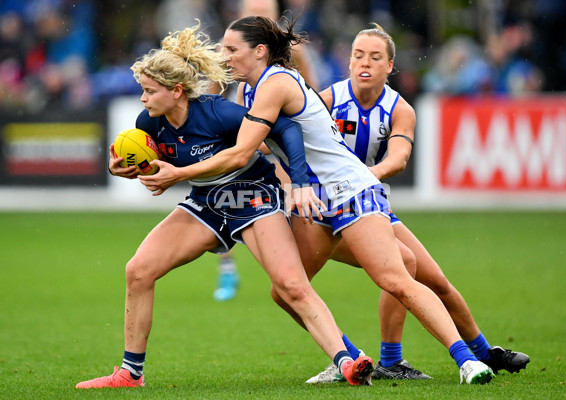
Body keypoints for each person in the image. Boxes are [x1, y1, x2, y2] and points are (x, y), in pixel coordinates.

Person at [177, 15, 495, 385]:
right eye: (223, 49)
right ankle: (348, 356)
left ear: (260, 51)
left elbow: (242, 150)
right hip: (315, 199)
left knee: (395, 278)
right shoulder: (248, 91)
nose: (225, 56)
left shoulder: (276, 83)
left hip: (350, 190)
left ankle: (467, 360)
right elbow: (260, 145)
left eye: (232, 49)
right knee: (287, 290)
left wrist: (175, 171)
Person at [75, 21, 374, 389]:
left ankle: (347, 361)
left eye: (150, 91)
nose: (143, 99)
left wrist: (297, 182)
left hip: (255, 198)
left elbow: (288, 130)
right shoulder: (148, 123)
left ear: (177, 91)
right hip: (206, 205)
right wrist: (123, 169)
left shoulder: (217, 113)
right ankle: (129, 374)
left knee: (291, 285)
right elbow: (149, 165)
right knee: (138, 270)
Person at [305, 23, 530, 383]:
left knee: (437, 280)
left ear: (389, 66)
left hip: (368, 204)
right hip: (326, 213)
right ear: (348, 62)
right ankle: (363, 357)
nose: (365, 63)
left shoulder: (400, 109)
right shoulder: (327, 101)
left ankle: (484, 352)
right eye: (358, 56)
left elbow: (398, 159)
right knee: (390, 266)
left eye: (375, 57)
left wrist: (362, 180)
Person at [212, 0, 320, 302]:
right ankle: (228, 268)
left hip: (279, 141)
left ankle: (296, 272)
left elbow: (314, 95)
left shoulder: (293, 54)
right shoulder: (230, 50)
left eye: (265, 14)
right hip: (247, 129)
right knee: (223, 195)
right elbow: (212, 96)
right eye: (251, 14)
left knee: (290, 206)